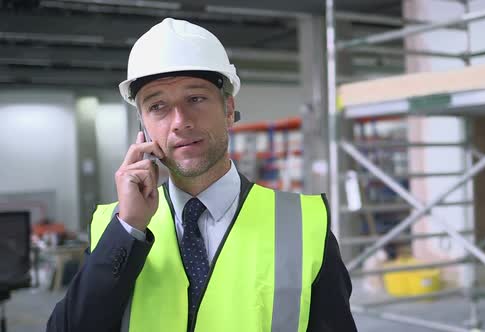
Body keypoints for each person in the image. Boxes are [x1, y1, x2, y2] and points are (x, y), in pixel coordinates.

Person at [47, 18, 357, 332]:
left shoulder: (303, 227)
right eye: (158, 107)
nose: (180, 121)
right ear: (143, 127)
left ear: (228, 109)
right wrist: (128, 229)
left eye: (195, 99)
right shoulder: (115, 226)